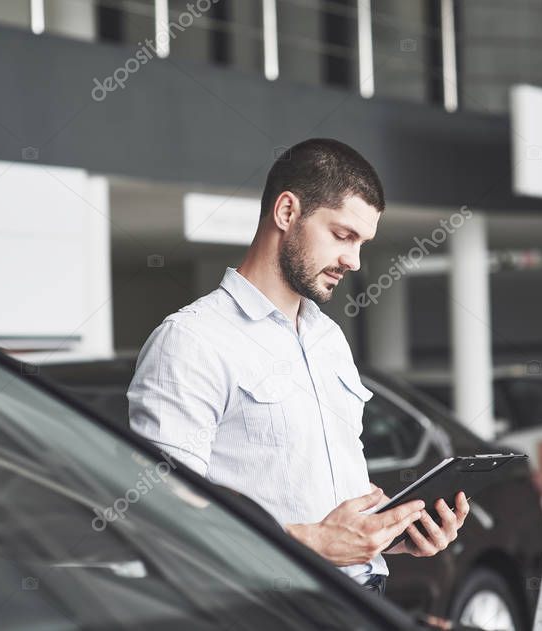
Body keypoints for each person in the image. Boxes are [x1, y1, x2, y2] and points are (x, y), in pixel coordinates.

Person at [127, 138, 469, 596]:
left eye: (363, 243)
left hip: (363, 599)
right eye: (343, 235)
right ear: (287, 212)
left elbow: (315, 486)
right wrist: (315, 543)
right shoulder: (190, 341)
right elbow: (162, 521)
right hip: (270, 608)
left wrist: (388, 534)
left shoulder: (328, 340)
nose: (354, 260)